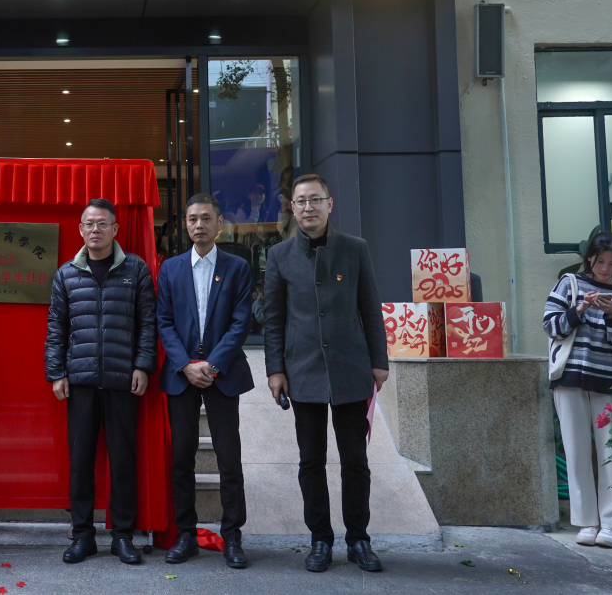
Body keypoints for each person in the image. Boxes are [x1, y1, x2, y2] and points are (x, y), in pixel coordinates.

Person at [262, 174, 388, 574]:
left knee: (355, 461)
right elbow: (273, 320)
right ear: (292, 208)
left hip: (351, 368)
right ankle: (320, 538)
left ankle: (358, 539)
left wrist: (379, 361)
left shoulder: (355, 249)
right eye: (301, 201)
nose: (309, 207)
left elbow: (370, 308)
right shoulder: (279, 256)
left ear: (329, 205)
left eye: (316, 200)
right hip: (302, 371)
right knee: (310, 461)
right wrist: (275, 370)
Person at [45, 198, 157, 565]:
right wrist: (56, 373)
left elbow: (147, 324)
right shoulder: (66, 274)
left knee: (122, 461)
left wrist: (143, 366)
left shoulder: (135, 270)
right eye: (89, 224)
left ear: (115, 229)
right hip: (79, 382)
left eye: (102, 223)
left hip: (123, 380)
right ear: (80, 229)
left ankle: (122, 536)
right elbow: (56, 328)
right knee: (81, 462)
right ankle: (82, 535)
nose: (95, 229)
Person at [156, 194, 254, 569]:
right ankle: (185, 533)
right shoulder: (170, 269)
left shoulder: (237, 267)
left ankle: (232, 535)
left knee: (229, 459)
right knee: (181, 458)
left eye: (206, 218)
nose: (199, 225)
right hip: (181, 376)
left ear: (219, 222)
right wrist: (185, 364)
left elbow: (240, 323)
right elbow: (164, 321)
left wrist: (211, 365)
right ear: (185, 224)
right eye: (192, 219)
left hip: (222, 373)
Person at [543, 231, 612, 550]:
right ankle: (586, 522)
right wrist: (580, 309)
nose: (605, 269)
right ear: (589, 259)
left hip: (609, 382)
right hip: (569, 379)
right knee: (576, 451)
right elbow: (551, 326)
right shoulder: (569, 284)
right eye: (600, 262)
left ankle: (611, 524)